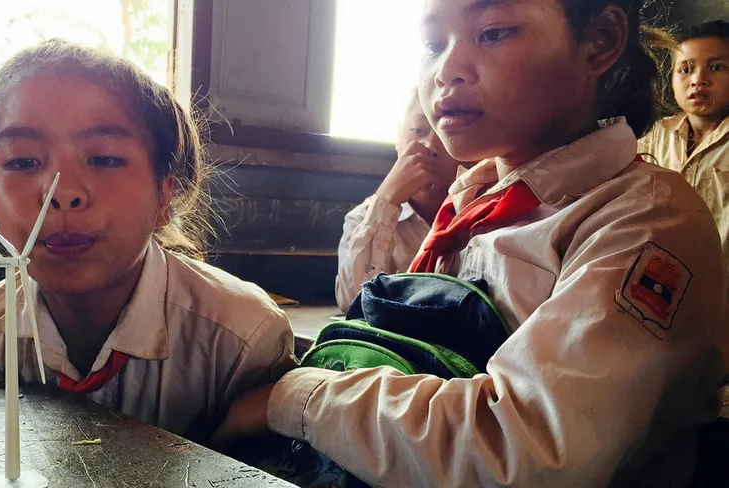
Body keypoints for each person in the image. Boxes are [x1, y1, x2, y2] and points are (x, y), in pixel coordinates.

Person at [212, 1, 728, 486]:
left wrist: (295, 398)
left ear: (600, 41)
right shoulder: (473, 199)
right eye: (434, 44)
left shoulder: (645, 220)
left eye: (493, 32)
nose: (447, 71)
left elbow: (525, 452)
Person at [0, 39, 296, 441]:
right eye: (24, 161)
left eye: (104, 159)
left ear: (163, 196)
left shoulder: (240, 341)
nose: (61, 192)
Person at [335, 91, 466, 311]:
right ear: (398, 140)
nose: (430, 146)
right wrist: (387, 200)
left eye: (445, 134)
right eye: (418, 131)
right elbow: (352, 303)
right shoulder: (363, 218)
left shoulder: (480, 214)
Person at [639, 20, 729, 261]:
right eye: (686, 69)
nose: (698, 80)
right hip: (658, 276)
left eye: (717, 67)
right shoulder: (654, 135)